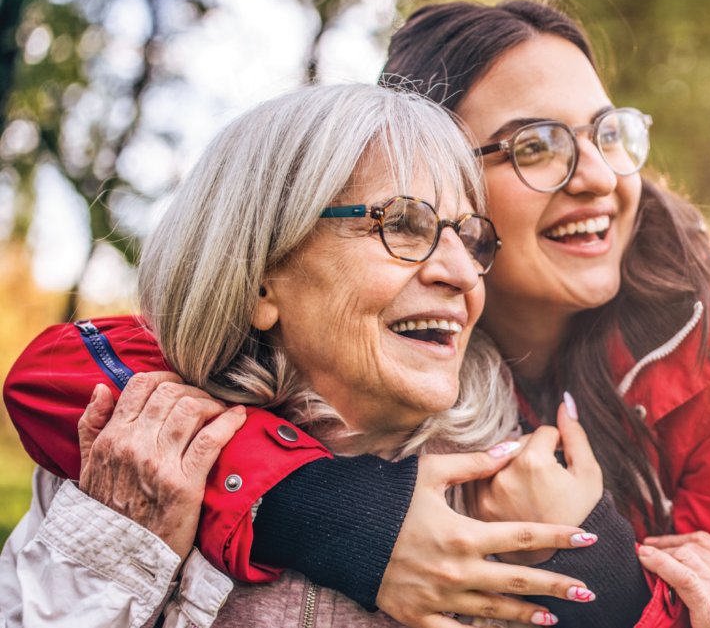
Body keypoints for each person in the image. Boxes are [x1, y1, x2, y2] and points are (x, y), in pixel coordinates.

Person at [4, 0, 710, 628]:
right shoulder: (358, 334)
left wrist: (579, 556)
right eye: (534, 145)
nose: (596, 175)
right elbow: (68, 372)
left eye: (605, 133)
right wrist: (340, 512)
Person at [0, 83, 611, 627]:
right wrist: (120, 554)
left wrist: (605, 578)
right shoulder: (132, 460)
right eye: (401, 224)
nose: (461, 273)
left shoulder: (513, 502)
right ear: (260, 277)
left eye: (469, 237)